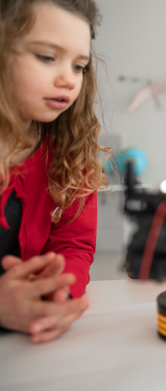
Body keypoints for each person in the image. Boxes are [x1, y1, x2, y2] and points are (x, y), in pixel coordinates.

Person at [0, 0, 108, 342]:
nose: (68, 80)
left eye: (79, 66)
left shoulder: (70, 148)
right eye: (47, 57)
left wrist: (58, 294)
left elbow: (74, 244)